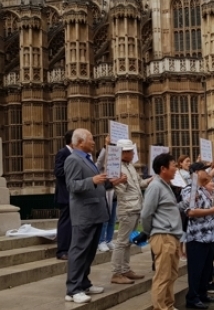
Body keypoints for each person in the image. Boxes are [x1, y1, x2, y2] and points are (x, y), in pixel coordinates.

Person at [64, 129, 125, 304]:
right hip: (84, 214)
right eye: (91, 139)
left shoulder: (88, 160)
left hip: (96, 213)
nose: (93, 142)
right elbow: (72, 186)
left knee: (89, 252)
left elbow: (97, 185)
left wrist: (111, 182)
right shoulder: (73, 160)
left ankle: (84, 282)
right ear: (81, 142)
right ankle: (73, 289)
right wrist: (92, 181)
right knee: (79, 251)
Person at [140, 153, 183, 310]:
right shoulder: (156, 186)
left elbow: (168, 209)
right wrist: (150, 232)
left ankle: (169, 305)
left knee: (171, 275)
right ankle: (160, 307)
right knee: (162, 276)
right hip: (163, 236)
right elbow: (146, 213)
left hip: (171, 236)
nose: (176, 169)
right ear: (163, 168)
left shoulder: (166, 186)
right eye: (173, 166)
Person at [181, 162, 214, 309]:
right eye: (205, 170)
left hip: (210, 236)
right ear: (197, 173)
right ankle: (192, 298)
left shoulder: (205, 190)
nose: (208, 172)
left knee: (206, 269)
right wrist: (213, 210)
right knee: (196, 270)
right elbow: (191, 212)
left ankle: (202, 293)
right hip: (197, 237)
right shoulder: (190, 189)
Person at [111, 139, 152, 284]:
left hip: (135, 207)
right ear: (124, 153)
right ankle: (116, 273)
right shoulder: (115, 167)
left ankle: (125, 269)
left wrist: (151, 180)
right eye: (131, 151)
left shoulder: (130, 166)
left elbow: (139, 183)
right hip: (127, 208)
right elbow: (120, 189)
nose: (133, 153)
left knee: (128, 241)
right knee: (122, 242)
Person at [54, 129, 74, 260]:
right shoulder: (63, 152)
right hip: (65, 194)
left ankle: (70, 248)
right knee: (65, 222)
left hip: (74, 194)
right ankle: (62, 250)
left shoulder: (74, 154)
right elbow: (58, 172)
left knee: (72, 223)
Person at [96, 136, 117, 252]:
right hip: (104, 194)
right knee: (104, 219)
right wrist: (106, 146)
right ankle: (101, 241)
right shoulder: (98, 168)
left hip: (113, 193)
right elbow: (99, 161)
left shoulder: (114, 167)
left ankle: (109, 239)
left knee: (112, 219)